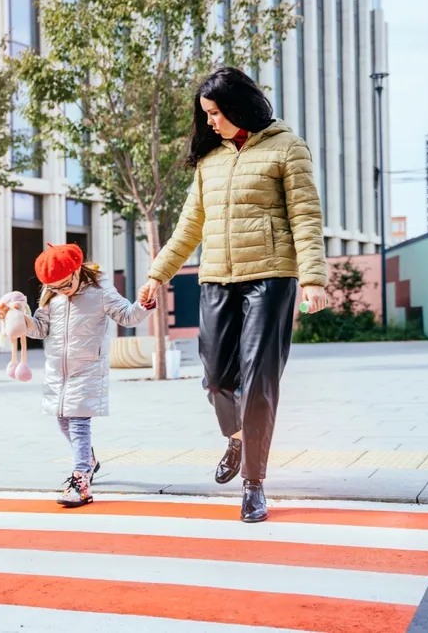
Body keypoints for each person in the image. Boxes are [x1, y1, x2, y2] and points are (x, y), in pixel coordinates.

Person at [139, 67, 328, 523]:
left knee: (259, 380)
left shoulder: (287, 148)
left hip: (271, 277)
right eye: (205, 114)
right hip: (217, 277)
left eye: (216, 113)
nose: (210, 122)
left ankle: (253, 483)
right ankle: (238, 438)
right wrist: (156, 276)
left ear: (239, 108)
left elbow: (305, 216)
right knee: (217, 379)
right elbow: (189, 227)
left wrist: (314, 279)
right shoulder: (212, 161)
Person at [0, 243, 153, 508]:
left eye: (64, 285)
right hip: (58, 369)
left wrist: (144, 303)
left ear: (77, 270)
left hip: (88, 368)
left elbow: (127, 317)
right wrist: (19, 319)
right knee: (62, 421)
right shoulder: (51, 291)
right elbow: (42, 328)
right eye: (53, 287)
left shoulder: (100, 290)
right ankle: (89, 461)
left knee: (79, 424)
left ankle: (80, 481)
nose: (59, 291)